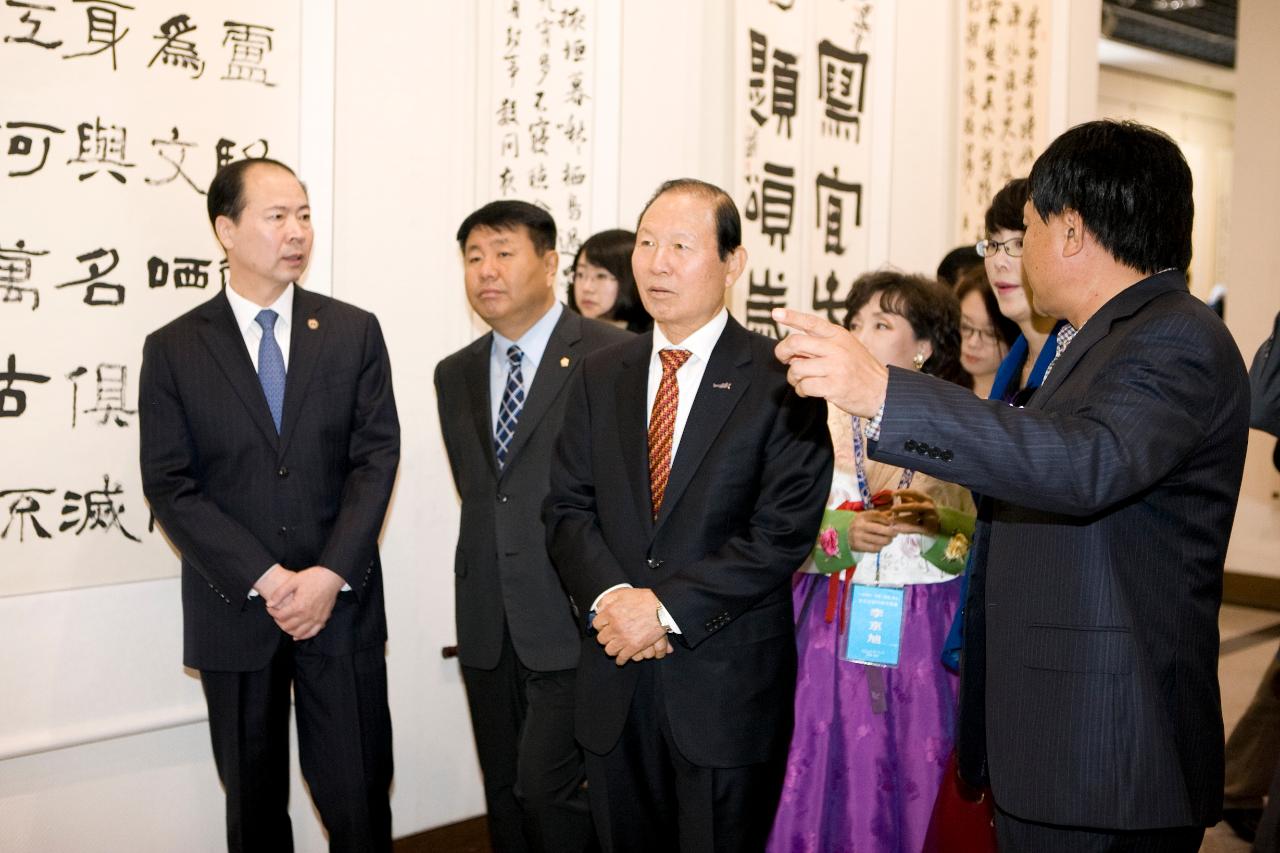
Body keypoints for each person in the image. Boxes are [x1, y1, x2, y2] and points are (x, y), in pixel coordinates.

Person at [775, 119, 1250, 852]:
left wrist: (886, 393)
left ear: (1070, 230)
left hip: (1109, 750)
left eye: (1021, 230)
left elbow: (1083, 464)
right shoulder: (1082, 340)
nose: (1013, 253)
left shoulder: (1175, 335)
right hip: (1056, 738)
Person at [544, 178, 833, 852]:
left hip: (722, 686)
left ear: (733, 263)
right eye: (647, 243)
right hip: (615, 676)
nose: (657, 262)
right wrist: (616, 599)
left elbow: (781, 530)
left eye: (681, 244)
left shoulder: (778, 376)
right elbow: (565, 507)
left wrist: (664, 609)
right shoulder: (599, 372)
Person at [139, 158, 400, 853]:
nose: (297, 231)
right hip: (235, 610)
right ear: (225, 229)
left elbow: (376, 460)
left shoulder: (353, 331)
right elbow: (170, 483)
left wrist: (326, 573)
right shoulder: (173, 348)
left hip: (339, 605)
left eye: (305, 214)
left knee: (358, 795)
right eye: (277, 215)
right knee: (253, 808)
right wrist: (266, 576)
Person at [434, 201, 629, 853]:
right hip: (488, 615)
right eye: (473, 256)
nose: (486, 270)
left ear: (550, 264)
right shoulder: (454, 372)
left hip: (575, 616)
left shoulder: (613, 354)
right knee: (504, 792)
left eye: (503, 252)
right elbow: (485, 493)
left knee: (554, 792)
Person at [767, 271, 975, 853]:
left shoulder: (955, 418)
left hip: (922, 619)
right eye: (855, 321)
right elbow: (778, 531)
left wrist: (933, 524)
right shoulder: (811, 415)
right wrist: (843, 534)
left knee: (916, 752)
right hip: (830, 618)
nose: (859, 333)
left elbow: (973, 537)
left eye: (882, 324)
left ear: (925, 348)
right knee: (823, 746)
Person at [977, 178, 1067, 404]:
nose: (999, 261)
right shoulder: (1013, 359)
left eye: (1018, 244)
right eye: (993, 244)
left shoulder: (1072, 353)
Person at [567, 228, 652, 333]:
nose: (586, 288)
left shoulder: (656, 342)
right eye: (580, 274)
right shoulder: (566, 334)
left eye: (601, 276)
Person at [953, 265, 1019, 399]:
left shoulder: (1023, 401)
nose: (973, 343)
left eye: (990, 333)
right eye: (966, 327)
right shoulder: (939, 384)